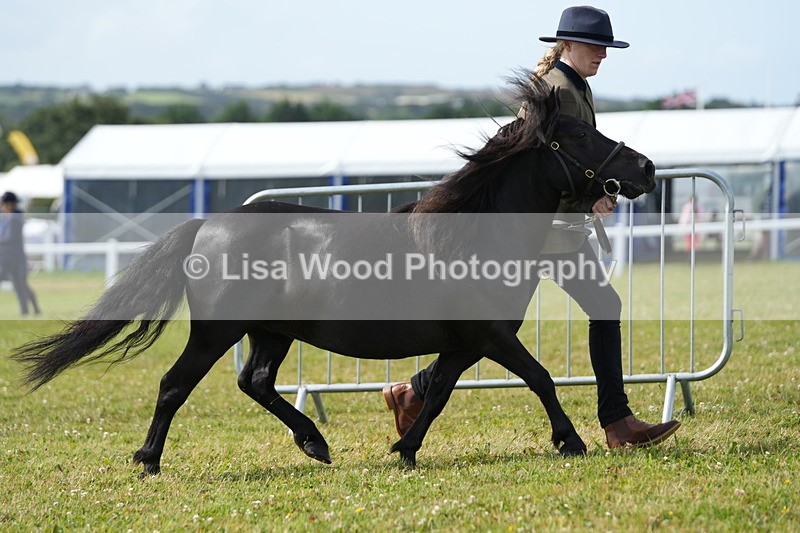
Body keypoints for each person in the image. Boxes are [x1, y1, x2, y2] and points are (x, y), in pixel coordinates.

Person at [382, 6, 681, 449]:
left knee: (504, 326)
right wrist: (588, 197)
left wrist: (597, 190)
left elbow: (576, 162)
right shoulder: (557, 91)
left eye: (606, 47)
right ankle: (617, 424)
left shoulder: (574, 85)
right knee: (552, 316)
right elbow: (537, 171)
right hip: (544, 234)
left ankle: (412, 392)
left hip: (554, 231)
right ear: (568, 45)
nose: (602, 55)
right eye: (596, 46)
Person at [0, 191, 41, 316]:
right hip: (6, 257)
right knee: (18, 284)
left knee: (20, 284)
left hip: (15, 258)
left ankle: (32, 309)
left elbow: (9, 237)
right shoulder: (6, 217)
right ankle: (26, 310)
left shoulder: (15, 217)